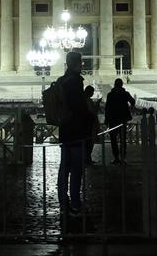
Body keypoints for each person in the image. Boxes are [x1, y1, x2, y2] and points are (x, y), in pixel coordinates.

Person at [57, 51, 93, 216]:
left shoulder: (61, 80)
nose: (82, 64)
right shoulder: (75, 81)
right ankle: (76, 204)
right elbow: (78, 108)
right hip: (76, 131)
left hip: (65, 130)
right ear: (76, 63)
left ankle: (63, 202)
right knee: (76, 169)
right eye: (81, 61)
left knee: (64, 168)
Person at [104, 78, 136, 164]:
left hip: (113, 119)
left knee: (113, 139)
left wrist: (106, 120)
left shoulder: (110, 94)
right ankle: (123, 157)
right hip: (122, 119)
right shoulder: (125, 94)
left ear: (114, 85)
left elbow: (107, 108)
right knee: (123, 139)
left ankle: (116, 157)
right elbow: (133, 101)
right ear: (121, 85)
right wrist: (129, 110)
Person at [83, 86, 100, 164]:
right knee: (90, 142)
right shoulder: (88, 101)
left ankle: (86, 158)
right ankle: (87, 158)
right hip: (90, 124)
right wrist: (97, 105)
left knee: (86, 142)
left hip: (85, 124)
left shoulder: (82, 100)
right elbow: (93, 111)